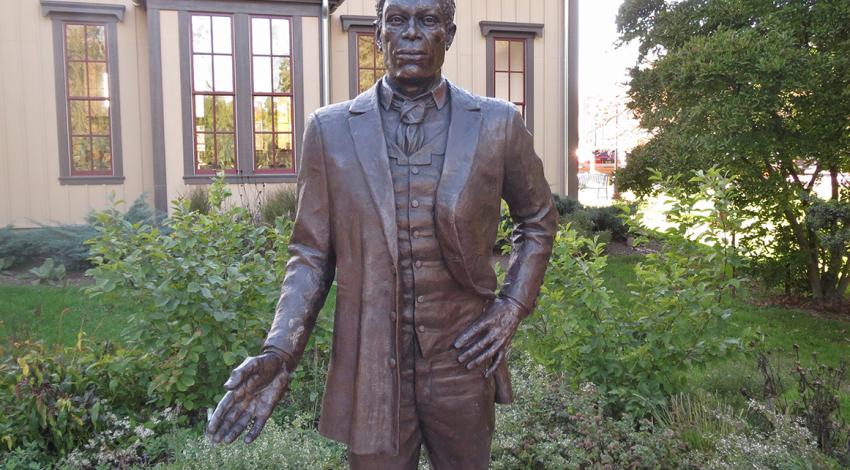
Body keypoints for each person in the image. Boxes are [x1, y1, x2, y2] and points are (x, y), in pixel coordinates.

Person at [206, 0, 557, 467]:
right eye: (397, 20)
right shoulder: (330, 131)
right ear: (379, 34)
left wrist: (513, 305)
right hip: (372, 363)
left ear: (448, 35)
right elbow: (310, 253)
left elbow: (537, 219)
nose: (412, 34)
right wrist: (280, 353)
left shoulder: (497, 124)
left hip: (461, 358)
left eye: (428, 21)